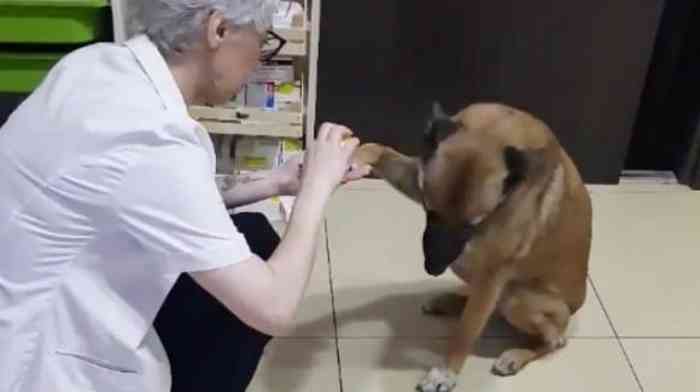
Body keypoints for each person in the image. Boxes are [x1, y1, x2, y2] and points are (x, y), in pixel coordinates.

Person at [0, 1, 370, 391]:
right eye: (263, 42)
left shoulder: (95, 64)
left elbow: (138, 199)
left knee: (252, 231)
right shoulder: (152, 138)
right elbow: (274, 309)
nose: (260, 58)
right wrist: (315, 190)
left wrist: (275, 183)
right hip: (41, 366)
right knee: (255, 276)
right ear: (219, 30)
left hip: (31, 302)